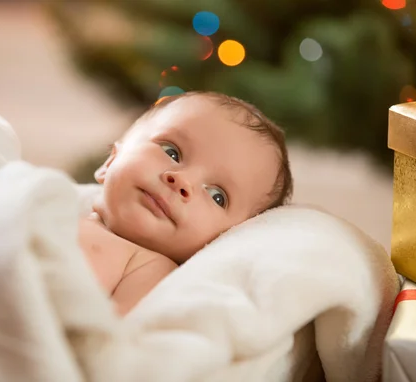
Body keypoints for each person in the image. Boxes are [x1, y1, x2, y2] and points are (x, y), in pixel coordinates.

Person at [77, 91, 293, 315]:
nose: (183, 181)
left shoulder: (149, 268)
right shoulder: (62, 206)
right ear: (110, 161)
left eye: (217, 196)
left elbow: (110, 338)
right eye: (172, 152)